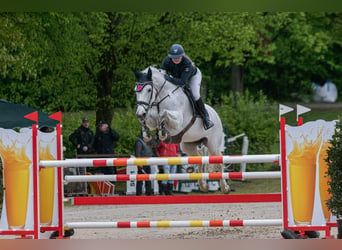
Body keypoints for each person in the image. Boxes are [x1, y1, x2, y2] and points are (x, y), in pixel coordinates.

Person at [161, 43, 214, 130]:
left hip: (192, 77)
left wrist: (169, 79)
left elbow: (182, 82)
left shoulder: (187, 64)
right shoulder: (167, 61)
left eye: (178, 57)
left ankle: (206, 118)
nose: (176, 59)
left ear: (182, 56)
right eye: (174, 57)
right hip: (177, 78)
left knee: (195, 94)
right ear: (170, 57)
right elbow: (162, 73)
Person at [68, 117, 95, 193]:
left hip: (88, 153)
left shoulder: (90, 132)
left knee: (88, 169)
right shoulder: (79, 131)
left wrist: (88, 147)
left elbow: (92, 142)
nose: (86, 124)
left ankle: (88, 186)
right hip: (81, 153)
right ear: (82, 123)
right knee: (81, 170)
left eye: (87, 122)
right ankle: (81, 186)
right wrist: (77, 145)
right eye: (85, 122)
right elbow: (71, 137)